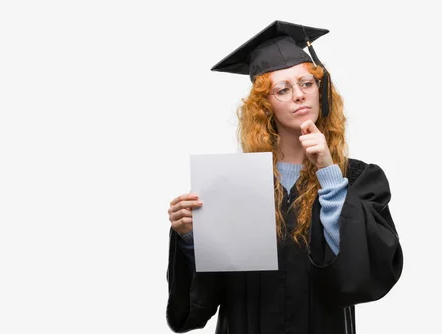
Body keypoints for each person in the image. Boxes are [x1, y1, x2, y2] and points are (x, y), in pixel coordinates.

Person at [165, 20, 403, 334]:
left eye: (307, 83)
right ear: (265, 106)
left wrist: (328, 174)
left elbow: (364, 276)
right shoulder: (236, 184)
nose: (299, 96)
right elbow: (198, 307)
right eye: (283, 89)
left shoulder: (357, 178)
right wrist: (191, 237)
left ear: (321, 91)